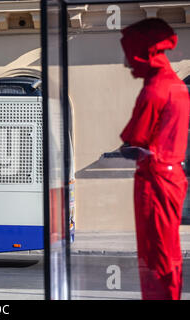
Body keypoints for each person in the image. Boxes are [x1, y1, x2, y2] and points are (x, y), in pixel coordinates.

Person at [119, 18, 190, 300]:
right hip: (172, 177)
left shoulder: (155, 90)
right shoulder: (175, 85)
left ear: (141, 52)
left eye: (128, 54)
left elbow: (134, 138)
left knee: (153, 254)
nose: (126, 63)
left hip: (154, 180)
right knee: (167, 251)